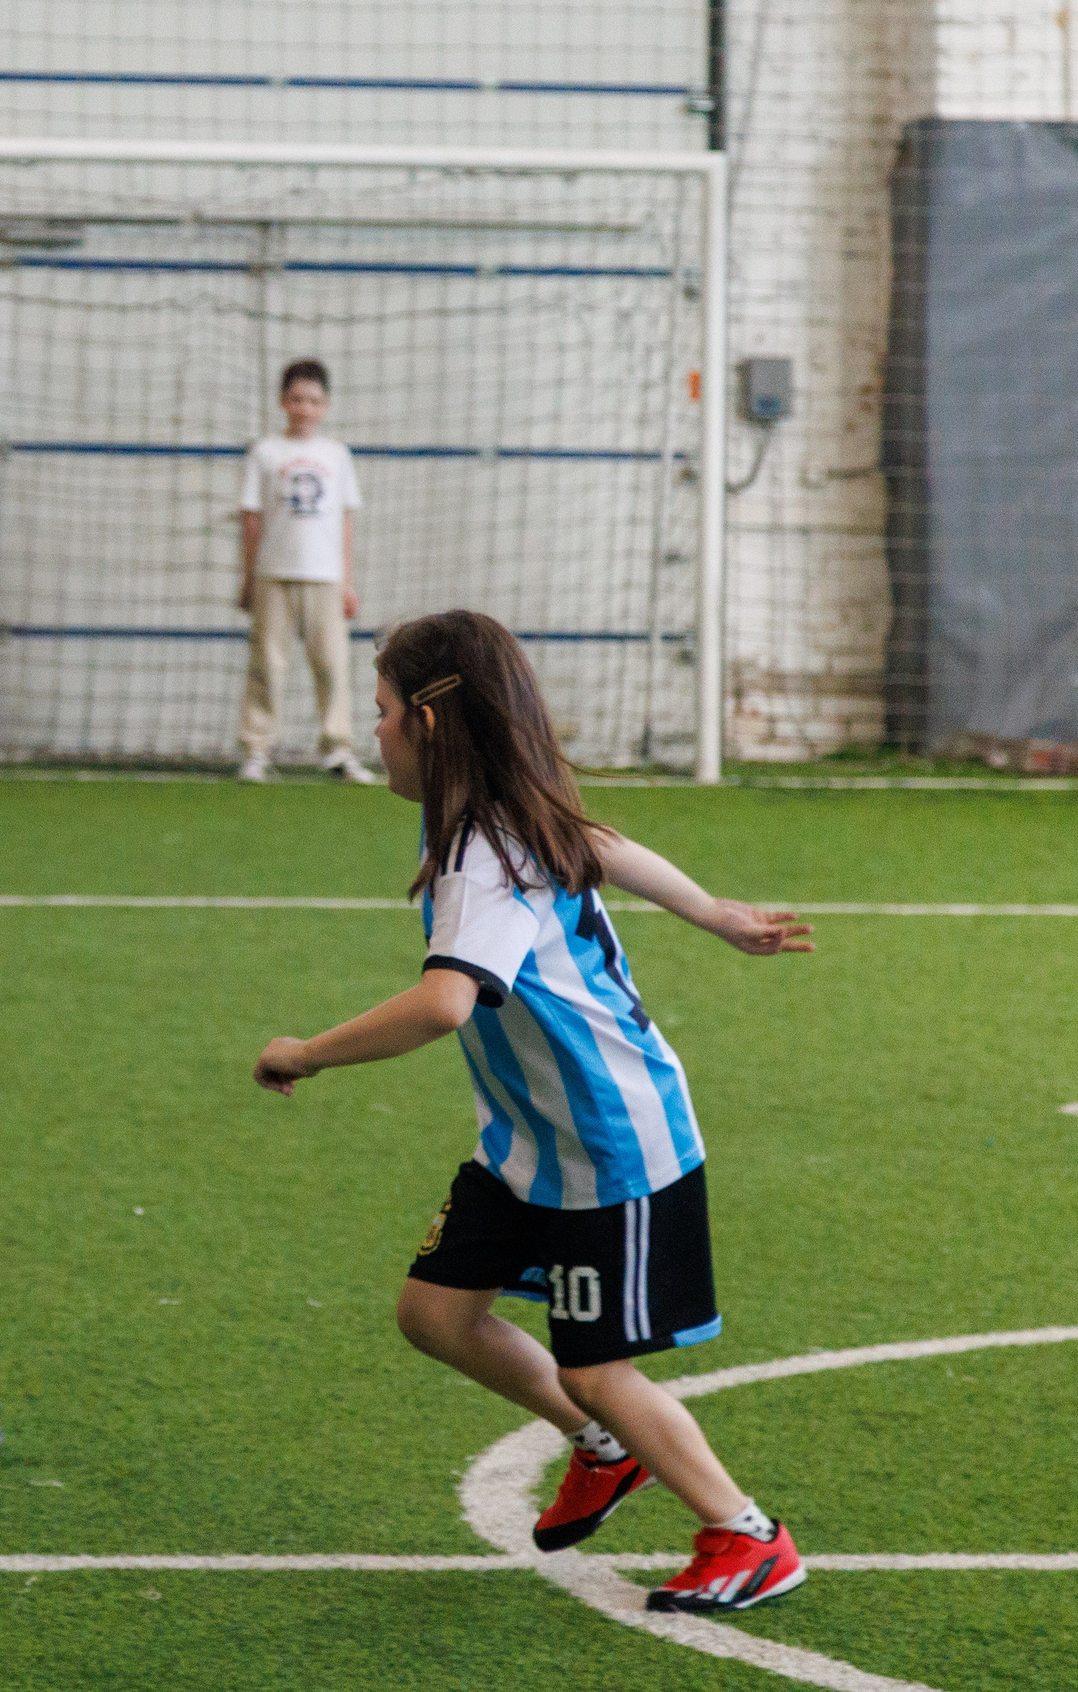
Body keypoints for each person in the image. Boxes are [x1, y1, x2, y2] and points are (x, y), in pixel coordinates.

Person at [251, 609, 814, 1614]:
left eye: (378, 710)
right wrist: (713, 912)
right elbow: (598, 844)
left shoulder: (481, 851)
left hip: (609, 1142)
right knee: (435, 1312)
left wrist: (307, 1052)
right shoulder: (496, 809)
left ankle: (746, 1533)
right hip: (528, 1143)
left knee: (598, 1368)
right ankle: (603, 1448)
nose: (370, 729)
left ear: (427, 723)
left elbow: (443, 1001)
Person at [238, 359, 372, 784]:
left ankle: (337, 748)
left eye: (314, 400)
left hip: (325, 577)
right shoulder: (265, 451)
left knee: (332, 665)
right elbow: (252, 518)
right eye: (296, 398)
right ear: (283, 401)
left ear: (325, 405)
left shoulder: (336, 455)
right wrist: (248, 578)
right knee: (267, 665)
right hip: (274, 574)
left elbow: (345, 522)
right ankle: (257, 749)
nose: (304, 407)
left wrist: (348, 582)